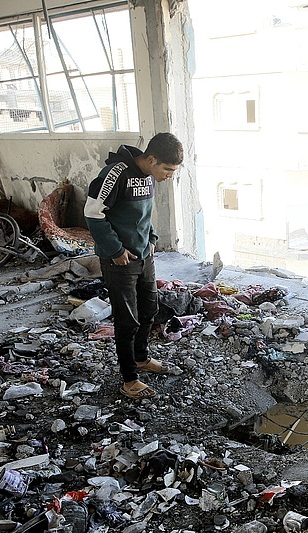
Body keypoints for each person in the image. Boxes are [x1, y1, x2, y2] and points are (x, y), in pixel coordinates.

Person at [84, 132, 184, 399]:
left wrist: (151, 238)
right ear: (151, 159)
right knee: (126, 320)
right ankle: (129, 379)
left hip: (144, 256)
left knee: (150, 307)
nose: (169, 176)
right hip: (120, 260)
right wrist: (115, 250)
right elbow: (93, 214)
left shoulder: (148, 177)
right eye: (167, 169)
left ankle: (141, 358)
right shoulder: (115, 174)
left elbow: (143, 215)